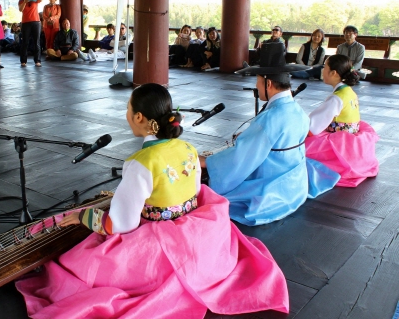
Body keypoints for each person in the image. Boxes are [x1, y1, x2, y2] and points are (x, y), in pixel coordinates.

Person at [16, 83, 290, 318]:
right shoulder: (188, 148)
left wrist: (83, 216)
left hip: (158, 246)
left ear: (138, 117)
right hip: (195, 234)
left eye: (127, 110)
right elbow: (193, 193)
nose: (125, 115)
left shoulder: (139, 162)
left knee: (77, 264)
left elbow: (121, 224)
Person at [202, 43, 338, 226]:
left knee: (205, 190)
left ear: (268, 83)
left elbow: (241, 157)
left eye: (257, 81)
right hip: (295, 184)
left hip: (271, 188)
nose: (257, 87)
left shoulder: (270, 119)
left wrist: (208, 162)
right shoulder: (297, 110)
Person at [305, 55, 379, 187]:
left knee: (303, 147)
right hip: (352, 140)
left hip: (341, 143)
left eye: (324, 67)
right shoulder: (349, 91)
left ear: (333, 73)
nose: (322, 70)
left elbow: (314, 127)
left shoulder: (336, 98)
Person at [18, 0, 43, 67]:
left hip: (36, 22)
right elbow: (20, 9)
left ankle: (37, 60)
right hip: (25, 23)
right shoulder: (21, 1)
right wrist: (25, 1)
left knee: (37, 42)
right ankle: (23, 61)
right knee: (25, 42)